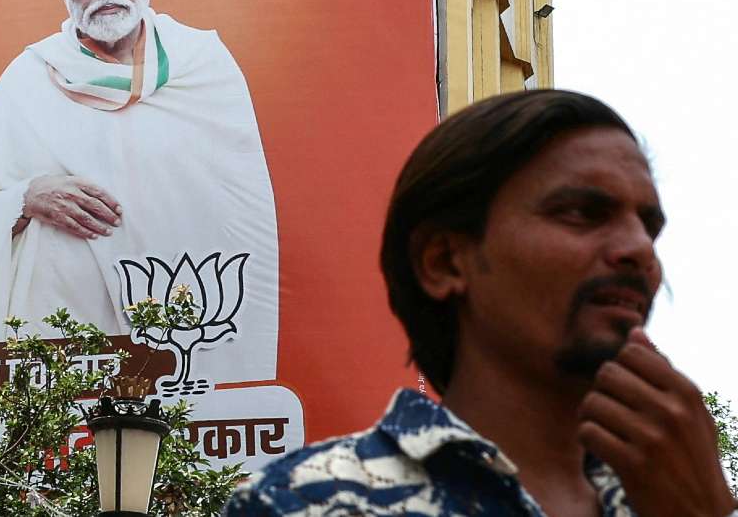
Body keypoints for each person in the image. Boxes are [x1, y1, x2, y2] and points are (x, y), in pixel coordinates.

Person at [224, 89, 738, 517]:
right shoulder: (307, 501)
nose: (639, 250)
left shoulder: (677, 493)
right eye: (582, 212)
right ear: (445, 262)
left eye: (648, 226)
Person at [0, 0, 279, 387]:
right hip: (60, 333)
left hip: (182, 331)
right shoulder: (28, 78)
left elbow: (243, 218)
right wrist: (23, 198)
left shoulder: (204, 66)